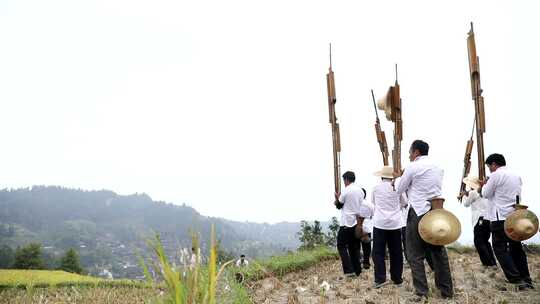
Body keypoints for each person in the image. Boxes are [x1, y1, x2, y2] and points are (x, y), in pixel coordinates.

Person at [395, 140, 453, 301]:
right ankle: (446, 291)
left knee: (414, 254)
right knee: (439, 253)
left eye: (410, 152)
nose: (409, 155)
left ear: (416, 152)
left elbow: (399, 189)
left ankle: (422, 293)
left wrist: (399, 177)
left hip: (418, 212)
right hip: (435, 212)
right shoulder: (438, 167)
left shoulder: (413, 167)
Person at [480, 153, 533, 290]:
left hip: (500, 218)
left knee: (499, 248)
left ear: (493, 164)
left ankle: (515, 279)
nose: (489, 169)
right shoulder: (515, 175)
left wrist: (484, 185)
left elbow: (485, 194)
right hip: (515, 217)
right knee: (516, 248)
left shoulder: (496, 175)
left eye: (489, 166)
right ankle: (526, 279)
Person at [371, 166, 407, 288]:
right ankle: (397, 279)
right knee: (396, 252)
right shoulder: (397, 187)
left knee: (378, 252)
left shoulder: (376, 188)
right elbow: (404, 202)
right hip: (395, 223)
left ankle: (380, 279)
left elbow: (374, 202)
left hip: (379, 223)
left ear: (381, 176)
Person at [334, 171, 372, 277]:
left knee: (341, 245)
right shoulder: (360, 191)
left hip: (347, 222)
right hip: (356, 222)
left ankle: (348, 269)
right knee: (353, 247)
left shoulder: (346, 190)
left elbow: (339, 205)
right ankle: (357, 270)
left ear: (346, 180)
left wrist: (337, 197)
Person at [461, 175, 497, 267]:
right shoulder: (487, 192)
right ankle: (492, 262)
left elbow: (466, 204)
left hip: (479, 219)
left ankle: (487, 263)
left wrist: (464, 195)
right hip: (488, 219)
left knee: (479, 242)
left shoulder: (473, 193)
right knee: (485, 241)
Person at [360, 188, 373, 269]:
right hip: (367, 225)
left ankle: (357, 261)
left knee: (356, 245)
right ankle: (366, 262)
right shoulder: (369, 204)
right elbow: (372, 214)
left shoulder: (355, 203)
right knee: (366, 246)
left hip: (357, 226)